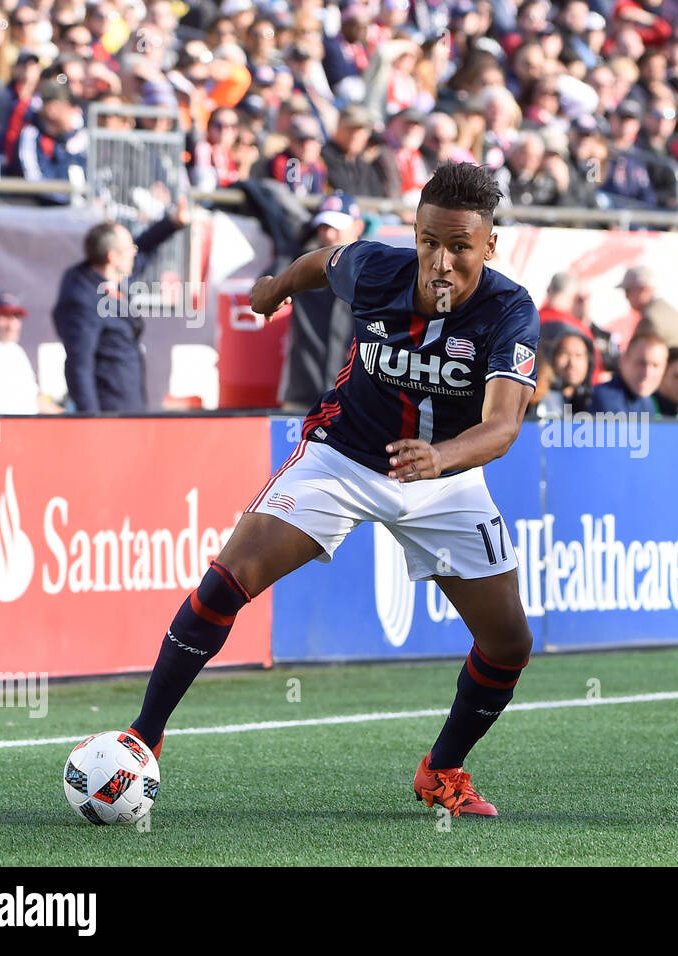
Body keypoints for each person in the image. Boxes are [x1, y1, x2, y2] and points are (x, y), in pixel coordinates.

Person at [123, 163, 540, 819]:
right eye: (430, 241)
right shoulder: (377, 268)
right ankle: (141, 739)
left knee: (510, 642)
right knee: (227, 580)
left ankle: (442, 770)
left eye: (460, 247)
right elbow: (322, 262)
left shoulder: (509, 310)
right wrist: (274, 289)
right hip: (342, 457)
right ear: (416, 232)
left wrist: (441, 457)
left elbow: (503, 425)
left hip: (446, 478)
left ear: (489, 247)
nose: (440, 261)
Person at [53, 204, 191, 413]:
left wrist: (171, 223)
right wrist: (92, 420)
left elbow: (144, 248)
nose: (134, 253)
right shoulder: (82, 298)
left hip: (128, 404)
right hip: (108, 408)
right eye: (129, 249)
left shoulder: (111, 280)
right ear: (112, 257)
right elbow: (79, 364)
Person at [279, 192, 367, 411]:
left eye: (336, 226)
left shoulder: (375, 273)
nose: (328, 235)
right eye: (323, 227)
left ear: (358, 226)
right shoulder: (301, 265)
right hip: (303, 397)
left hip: (356, 400)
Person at [587, 330, 666, 415]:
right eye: (641, 363)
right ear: (623, 360)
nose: (647, 373)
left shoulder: (649, 404)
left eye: (656, 365)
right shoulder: (602, 398)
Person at [617, 264, 678, 350]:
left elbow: (640, 356)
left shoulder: (650, 320)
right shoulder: (667, 310)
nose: (626, 297)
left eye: (627, 291)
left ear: (642, 289)